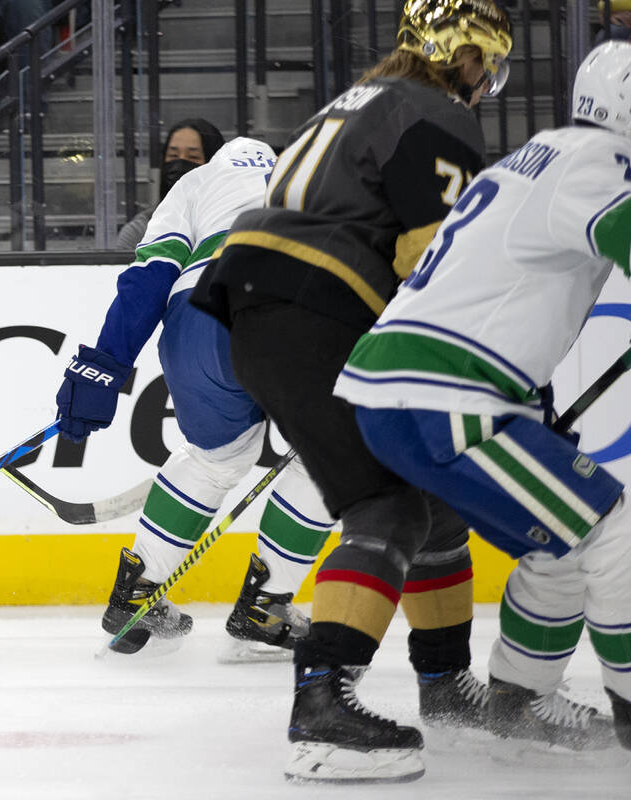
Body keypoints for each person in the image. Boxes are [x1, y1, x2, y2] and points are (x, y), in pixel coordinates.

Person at [192, 0, 514, 783]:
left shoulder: (354, 100)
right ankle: (322, 703)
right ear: (463, 53)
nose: (485, 82)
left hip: (262, 306)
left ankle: (444, 684)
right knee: (388, 506)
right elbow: (431, 258)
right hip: (319, 307)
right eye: (487, 63)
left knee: (430, 499)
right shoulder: (438, 110)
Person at [337, 39, 631, 754]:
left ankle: (520, 701)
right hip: (446, 395)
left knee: (563, 542)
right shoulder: (600, 162)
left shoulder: (542, 156)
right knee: (616, 530)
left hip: (409, 389)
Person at [54, 136, 334, 659]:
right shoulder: (310, 177)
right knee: (329, 458)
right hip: (286, 305)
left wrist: (103, 368)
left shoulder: (195, 181)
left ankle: (135, 596)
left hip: (195, 322)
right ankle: (265, 606)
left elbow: (148, 280)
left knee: (214, 460)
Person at [116, 118, 223, 251]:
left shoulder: (228, 228)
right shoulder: (141, 231)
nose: (180, 164)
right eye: (173, 156)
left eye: (193, 157)